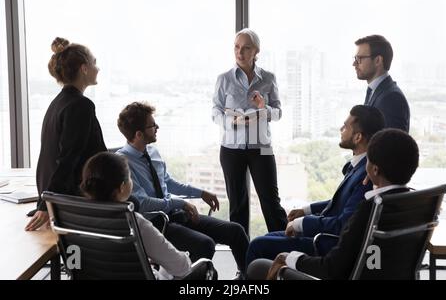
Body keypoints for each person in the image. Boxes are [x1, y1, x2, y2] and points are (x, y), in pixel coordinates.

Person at [247, 128, 419, 280]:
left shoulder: (370, 209)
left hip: (337, 270)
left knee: (257, 266)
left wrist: (288, 258)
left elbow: (331, 268)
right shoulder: (412, 203)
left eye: (368, 160)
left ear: (374, 170)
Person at [116, 102, 249, 278]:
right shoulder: (122, 162)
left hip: (175, 214)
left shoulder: (153, 152)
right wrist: (181, 203)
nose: (157, 127)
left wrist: (201, 193)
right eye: (152, 125)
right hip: (157, 223)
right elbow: (143, 203)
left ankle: (248, 278)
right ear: (139, 134)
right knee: (205, 245)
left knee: (236, 231)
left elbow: (168, 183)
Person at [245, 105, 385, 269]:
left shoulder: (365, 177)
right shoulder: (361, 166)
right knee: (268, 238)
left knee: (258, 246)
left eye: (346, 126)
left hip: (326, 243)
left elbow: (343, 225)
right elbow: (341, 203)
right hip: (323, 235)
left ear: (358, 137)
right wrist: (307, 210)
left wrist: (302, 223)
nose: (341, 129)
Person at [80, 152, 215, 280]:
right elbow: (181, 267)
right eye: (130, 178)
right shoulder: (134, 223)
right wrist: (182, 257)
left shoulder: (76, 218)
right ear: (122, 187)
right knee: (206, 268)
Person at [26, 37, 107, 231]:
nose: (98, 68)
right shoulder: (80, 105)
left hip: (59, 198)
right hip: (72, 202)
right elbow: (68, 158)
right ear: (83, 68)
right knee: (137, 208)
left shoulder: (58, 103)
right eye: (94, 63)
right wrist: (46, 203)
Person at [212, 28, 287, 235]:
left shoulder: (269, 78)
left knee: (271, 203)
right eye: (237, 47)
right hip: (231, 148)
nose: (240, 52)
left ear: (256, 51)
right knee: (238, 206)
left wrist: (263, 108)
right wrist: (230, 120)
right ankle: (242, 263)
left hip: (261, 146)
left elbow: (279, 112)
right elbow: (215, 110)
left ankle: (281, 255)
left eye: (246, 48)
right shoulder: (224, 79)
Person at [353, 34, 410, 132]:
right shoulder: (374, 90)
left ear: (378, 60)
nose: (354, 64)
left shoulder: (391, 98)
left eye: (359, 59)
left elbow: (391, 145)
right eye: (355, 59)